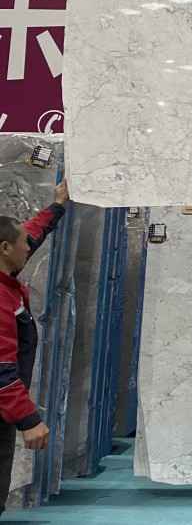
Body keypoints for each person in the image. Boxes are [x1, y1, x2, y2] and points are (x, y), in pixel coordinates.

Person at [0, 178, 69, 513]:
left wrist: (58, 205)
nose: (29, 246)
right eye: (21, 243)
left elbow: (31, 233)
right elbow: (2, 369)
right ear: (4, 249)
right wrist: (28, 419)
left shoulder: (6, 276)